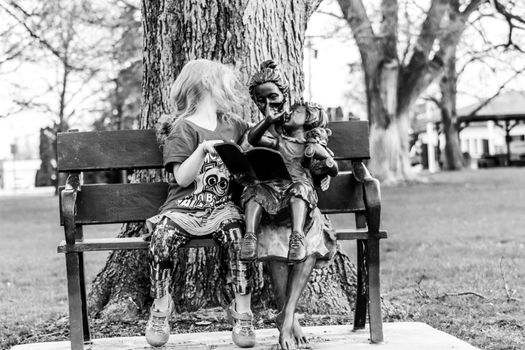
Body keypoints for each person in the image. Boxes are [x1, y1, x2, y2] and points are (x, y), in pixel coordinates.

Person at [144, 59, 255, 348]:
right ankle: (161, 305)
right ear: (207, 85)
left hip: (221, 210)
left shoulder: (233, 124)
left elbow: (256, 139)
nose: (231, 91)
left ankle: (243, 312)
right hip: (183, 210)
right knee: (162, 240)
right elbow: (181, 178)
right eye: (226, 85)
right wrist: (204, 149)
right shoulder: (183, 128)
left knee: (239, 240)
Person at [242, 60, 336, 350]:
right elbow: (250, 145)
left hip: (301, 203)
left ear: (285, 94)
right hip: (272, 200)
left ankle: (286, 319)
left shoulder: (304, 131)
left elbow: (324, 166)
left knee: (303, 242)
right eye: (260, 100)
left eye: (273, 98)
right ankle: (289, 320)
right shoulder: (272, 132)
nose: (267, 104)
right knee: (272, 241)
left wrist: (321, 159)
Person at [239, 101, 335, 262]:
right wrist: (267, 121)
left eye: (296, 112)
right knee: (254, 190)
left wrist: (327, 163)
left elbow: (332, 166)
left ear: (309, 119)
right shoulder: (280, 142)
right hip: (275, 191)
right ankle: (250, 238)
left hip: (299, 192)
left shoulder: (310, 146)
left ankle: (297, 239)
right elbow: (253, 139)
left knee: (300, 189)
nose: (289, 113)